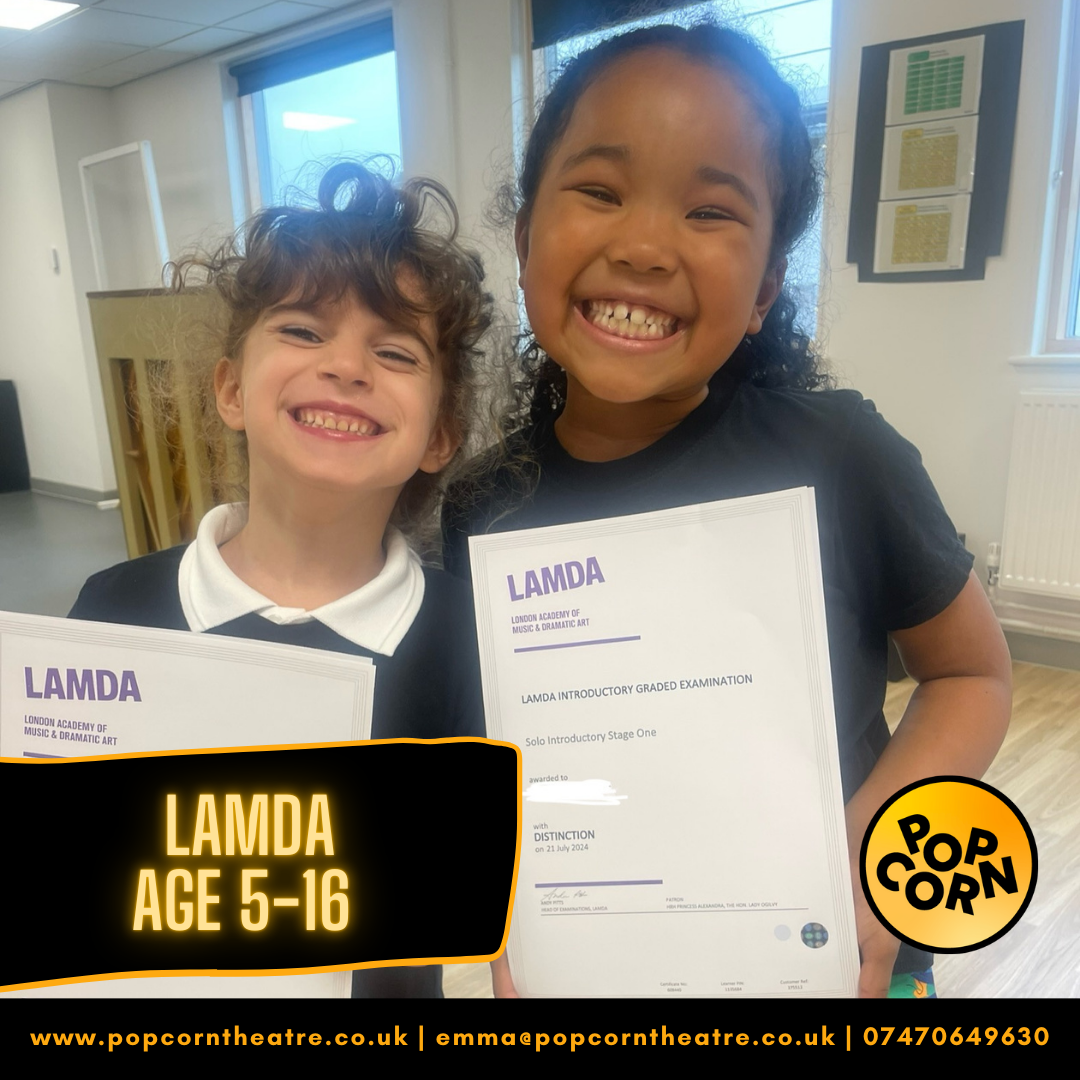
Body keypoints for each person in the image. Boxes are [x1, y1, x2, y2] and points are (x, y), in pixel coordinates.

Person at [442, 23, 1012, 999]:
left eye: (710, 210)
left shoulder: (839, 455)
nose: (645, 246)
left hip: (828, 962)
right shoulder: (481, 506)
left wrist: (872, 866)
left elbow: (972, 675)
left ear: (763, 292)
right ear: (526, 227)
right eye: (600, 191)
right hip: (594, 971)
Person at [70, 160, 496, 997]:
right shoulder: (109, 611)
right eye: (303, 331)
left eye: (395, 349)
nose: (346, 366)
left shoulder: (480, 647)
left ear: (440, 435)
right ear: (231, 388)